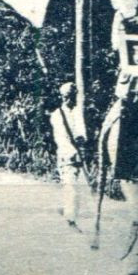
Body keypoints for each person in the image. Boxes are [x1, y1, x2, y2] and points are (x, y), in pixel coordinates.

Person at [48, 82, 88, 230]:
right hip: (67, 155)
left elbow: (81, 131)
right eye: (67, 96)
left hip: (79, 154)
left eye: (72, 96)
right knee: (71, 186)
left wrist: (82, 139)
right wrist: (73, 152)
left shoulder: (77, 112)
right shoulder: (57, 115)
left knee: (78, 188)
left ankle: (71, 214)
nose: (70, 99)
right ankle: (70, 219)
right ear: (63, 97)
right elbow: (61, 138)